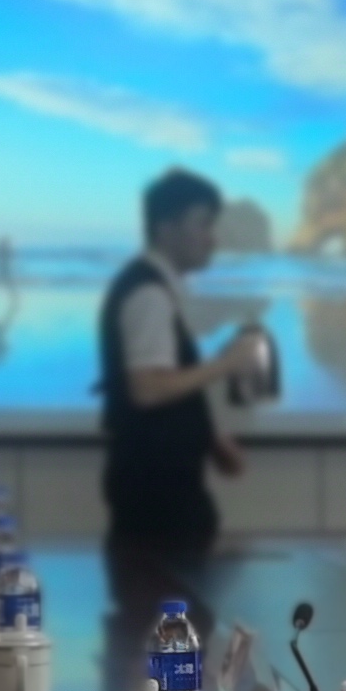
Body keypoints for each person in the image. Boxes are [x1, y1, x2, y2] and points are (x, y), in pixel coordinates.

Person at [100, 168, 262, 556]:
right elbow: (146, 388)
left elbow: (162, 383)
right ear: (165, 228)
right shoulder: (149, 294)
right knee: (167, 591)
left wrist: (209, 437)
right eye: (202, 224)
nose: (212, 238)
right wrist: (226, 363)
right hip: (157, 490)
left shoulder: (157, 288)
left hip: (160, 484)